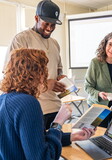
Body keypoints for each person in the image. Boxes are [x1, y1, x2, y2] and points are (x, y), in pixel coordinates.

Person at [0, 48, 95, 160]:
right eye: (44, 69)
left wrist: (70, 137)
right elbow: (43, 157)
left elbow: (33, 141)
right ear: (37, 73)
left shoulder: (4, 98)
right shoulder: (28, 103)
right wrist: (58, 122)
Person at [4, 0, 66, 130]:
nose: (49, 28)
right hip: (34, 108)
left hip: (55, 108)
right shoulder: (21, 39)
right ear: (36, 18)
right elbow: (11, 76)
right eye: (46, 24)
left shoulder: (55, 43)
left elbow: (58, 70)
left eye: (53, 25)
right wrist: (44, 84)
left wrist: (60, 78)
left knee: (60, 147)